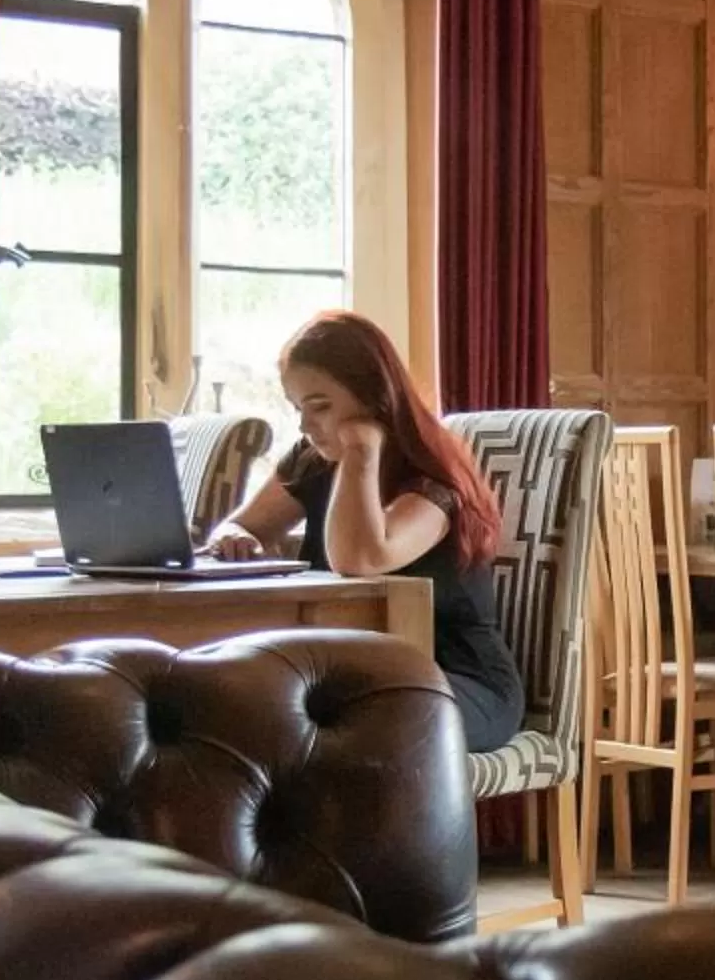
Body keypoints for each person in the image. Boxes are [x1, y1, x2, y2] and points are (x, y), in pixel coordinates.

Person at [207, 312, 524, 753]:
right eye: (298, 409)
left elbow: (360, 559)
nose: (305, 426)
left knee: (337, 719)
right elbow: (241, 523)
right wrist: (235, 536)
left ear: (374, 397)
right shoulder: (311, 460)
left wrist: (361, 449)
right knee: (243, 700)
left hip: (458, 683)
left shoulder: (434, 488)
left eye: (320, 407)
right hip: (357, 677)